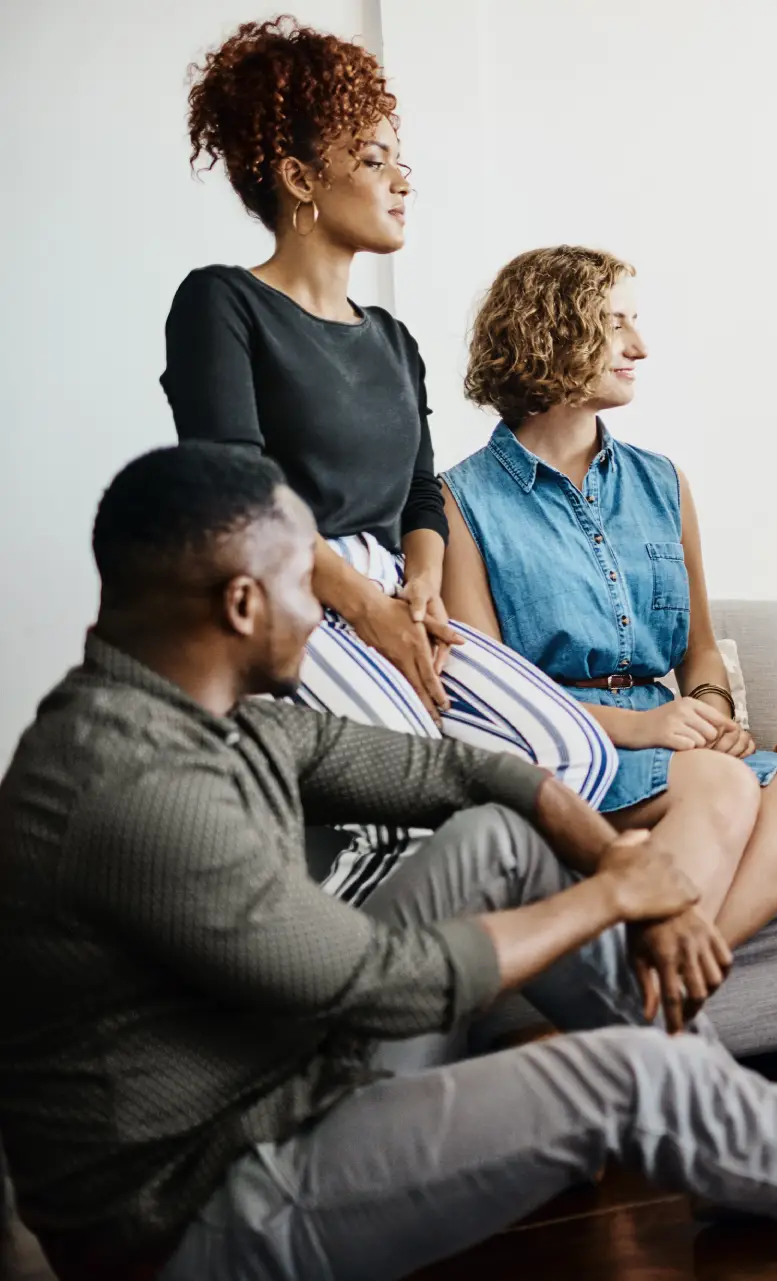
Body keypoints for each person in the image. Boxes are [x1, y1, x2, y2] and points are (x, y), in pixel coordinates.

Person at [0, 443, 777, 1281]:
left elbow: (463, 771)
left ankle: (741, 1143)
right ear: (237, 607)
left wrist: (623, 870)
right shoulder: (128, 783)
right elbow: (372, 985)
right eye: (307, 588)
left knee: (499, 837)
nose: (329, 611)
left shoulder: (217, 714)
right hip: (198, 1210)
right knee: (619, 1083)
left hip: (289, 1088)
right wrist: (618, 891)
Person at [161, 18, 614, 903]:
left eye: (400, 159)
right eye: (373, 160)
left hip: (391, 589)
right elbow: (242, 496)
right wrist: (368, 608)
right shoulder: (221, 304)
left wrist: (421, 589)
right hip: (286, 590)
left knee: (574, 754)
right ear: (299, 178)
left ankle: (464, 971)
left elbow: (419, 495)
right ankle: (321, 986)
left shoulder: (394, 342)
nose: (403, 180)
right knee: (407, 804)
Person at [441, 246, 777, 953]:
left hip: (676, 738)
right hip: (562, 749)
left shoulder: (663, 483)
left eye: (636, 321)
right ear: (551, 332)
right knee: (721, 787)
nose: (640, 346)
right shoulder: (460, 500)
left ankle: (647, 1008)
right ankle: (645, 1022)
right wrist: (641, 730)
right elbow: (488, 695)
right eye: (615, 322)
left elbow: (701, 649)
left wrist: (713, 712)